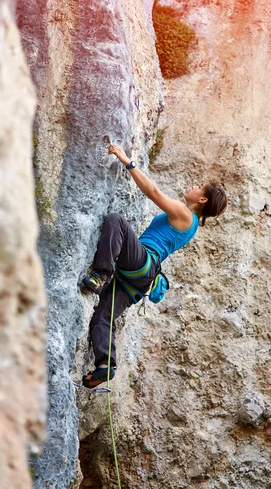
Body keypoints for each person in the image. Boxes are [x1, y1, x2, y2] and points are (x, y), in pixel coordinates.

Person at [81, 144, 227, 388]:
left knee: (116, 221)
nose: (193, 186)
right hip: (141, 279)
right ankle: (105, 364)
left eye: (199, 187)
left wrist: (128, 162)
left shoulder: (185, 214)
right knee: (102, 317)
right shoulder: (191, 227)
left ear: (202, 199)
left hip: (143, 263)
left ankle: (101, 275)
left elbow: (154, 193)